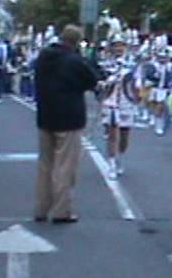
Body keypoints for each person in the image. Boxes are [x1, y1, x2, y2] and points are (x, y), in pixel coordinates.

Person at [34, 25, 97, 223]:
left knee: (45, 165)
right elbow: (91, 79)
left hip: (45, 116)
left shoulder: (43, 58)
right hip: (69, 118)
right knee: (64, 167)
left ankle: (41, 208)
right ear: (77, 41)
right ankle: (62, 210)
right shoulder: (74, 61)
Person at [99, 38, 139, 179]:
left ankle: (119, 158)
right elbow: (99, 82)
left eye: (121, 45)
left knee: (124, 136)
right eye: (116, 46)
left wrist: (137, 97)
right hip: (110, 101)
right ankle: (111, 165)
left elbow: (136, 83)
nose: (118, 49)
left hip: (126, 101)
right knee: (112, 134)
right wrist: (105, 83)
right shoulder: (105, 63)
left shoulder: (132, 63)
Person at [148, 50, 172, 136]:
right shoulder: (155, 66)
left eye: (164, 58)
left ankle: (159, 125)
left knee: (161, 107)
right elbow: (149, 76)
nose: (162, 59)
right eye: (161, 57)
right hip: (155, 88)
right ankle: (155, 119)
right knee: (154, 105)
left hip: (164, 89)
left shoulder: (170, 67)